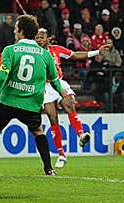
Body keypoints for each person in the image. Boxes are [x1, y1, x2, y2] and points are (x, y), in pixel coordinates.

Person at [0, 15, 64, 176]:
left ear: (21, 32)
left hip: (8, 101)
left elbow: (1, 77)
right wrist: (62, 96)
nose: (14, 31)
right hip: (31, 103)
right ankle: (48, 169)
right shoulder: (44, 54)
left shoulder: (9, 50)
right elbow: (55, 80)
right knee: (38, 132)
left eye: (16, 28)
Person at [35, 28, 109, 168]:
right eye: (37, 38)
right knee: (52, 117)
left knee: (69, 104)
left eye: (41, 37)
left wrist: (97, 52)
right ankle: (61, 154)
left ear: (48, 38)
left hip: (58, 82)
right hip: (44, 87)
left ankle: (81, 135)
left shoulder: (56, 49)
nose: (39, 40)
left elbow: (75, 55)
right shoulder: (34, 53)